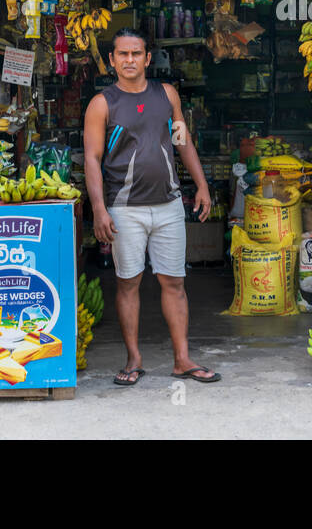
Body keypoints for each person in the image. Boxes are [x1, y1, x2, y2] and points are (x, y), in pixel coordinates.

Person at [84, 27, 219, 386]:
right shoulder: (102, 104)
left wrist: (202, 185)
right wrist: (99, 209)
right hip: (125, 208)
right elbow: (92, 160)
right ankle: (133, 359)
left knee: (174, 281)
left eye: (136, 53)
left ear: (147, 58)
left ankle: (182, 359)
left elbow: (182, 141)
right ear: (112, 60)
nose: (129, 60)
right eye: (122, 54)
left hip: (170, 204)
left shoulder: (166, 95)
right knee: (128, 283)